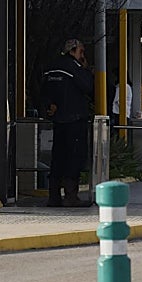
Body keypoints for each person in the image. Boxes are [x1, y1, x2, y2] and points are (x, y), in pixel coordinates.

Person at [41, 38, 94, 207]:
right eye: (81, 51)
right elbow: (88, 87)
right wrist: (86, 69)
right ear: (72, 51)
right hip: (75, 119)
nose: (83, 55)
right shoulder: (74, 68)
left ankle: (54, 196)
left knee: (57, 158)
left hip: (58, 120)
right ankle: (71, 196)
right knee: (74, 158)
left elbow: (42, 90)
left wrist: (50, 105)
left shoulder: (51, 67)